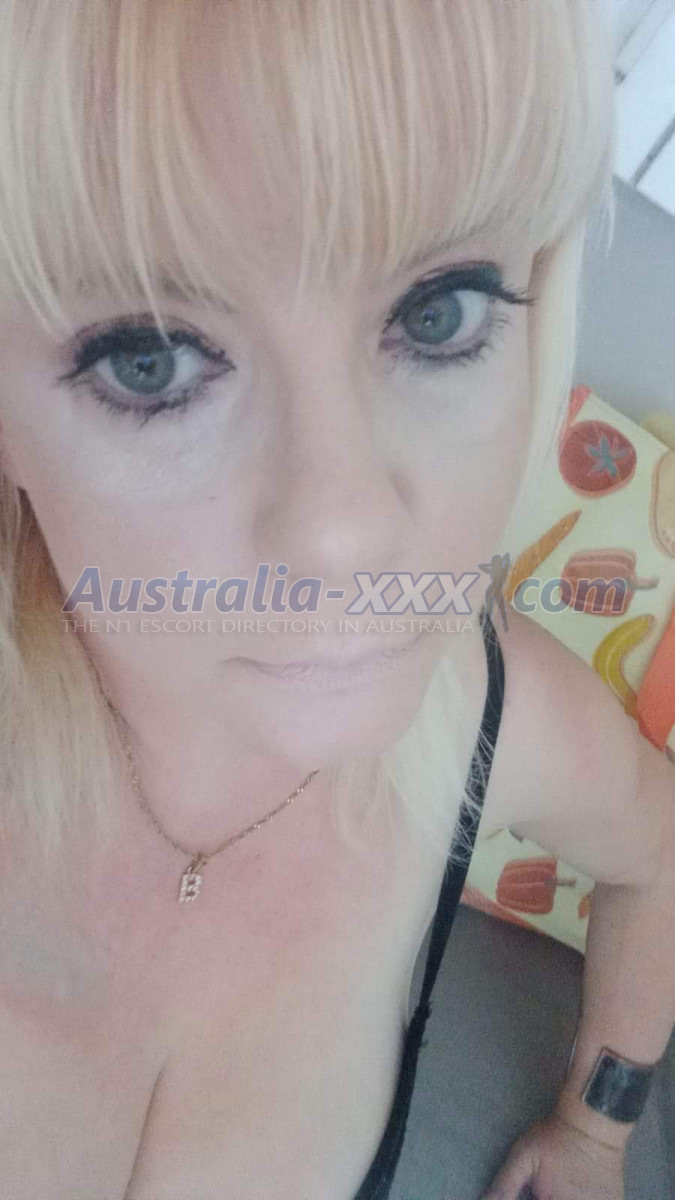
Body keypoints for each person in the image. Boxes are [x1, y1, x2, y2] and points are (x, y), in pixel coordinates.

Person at [0, 2, 672, 1197]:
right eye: (149, 359)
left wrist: (597, 1129)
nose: (345, 531)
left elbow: (661, 854)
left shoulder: (483, 712)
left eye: (440, 313)